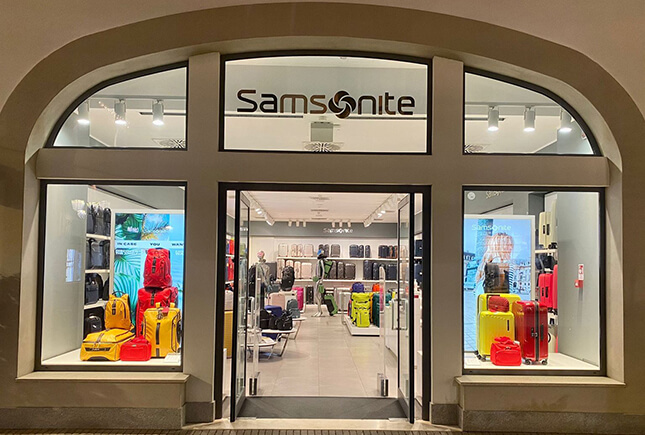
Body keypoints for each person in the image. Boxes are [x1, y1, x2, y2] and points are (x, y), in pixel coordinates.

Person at [312, 248, 332, 317]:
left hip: (319, 280)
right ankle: (319, 310)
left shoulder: (321, 261)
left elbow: (323, 271)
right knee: (316, 295)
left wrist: (321, 280)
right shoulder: (318, 261)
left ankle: (320, 311)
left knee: (318, 295)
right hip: (317, 280)